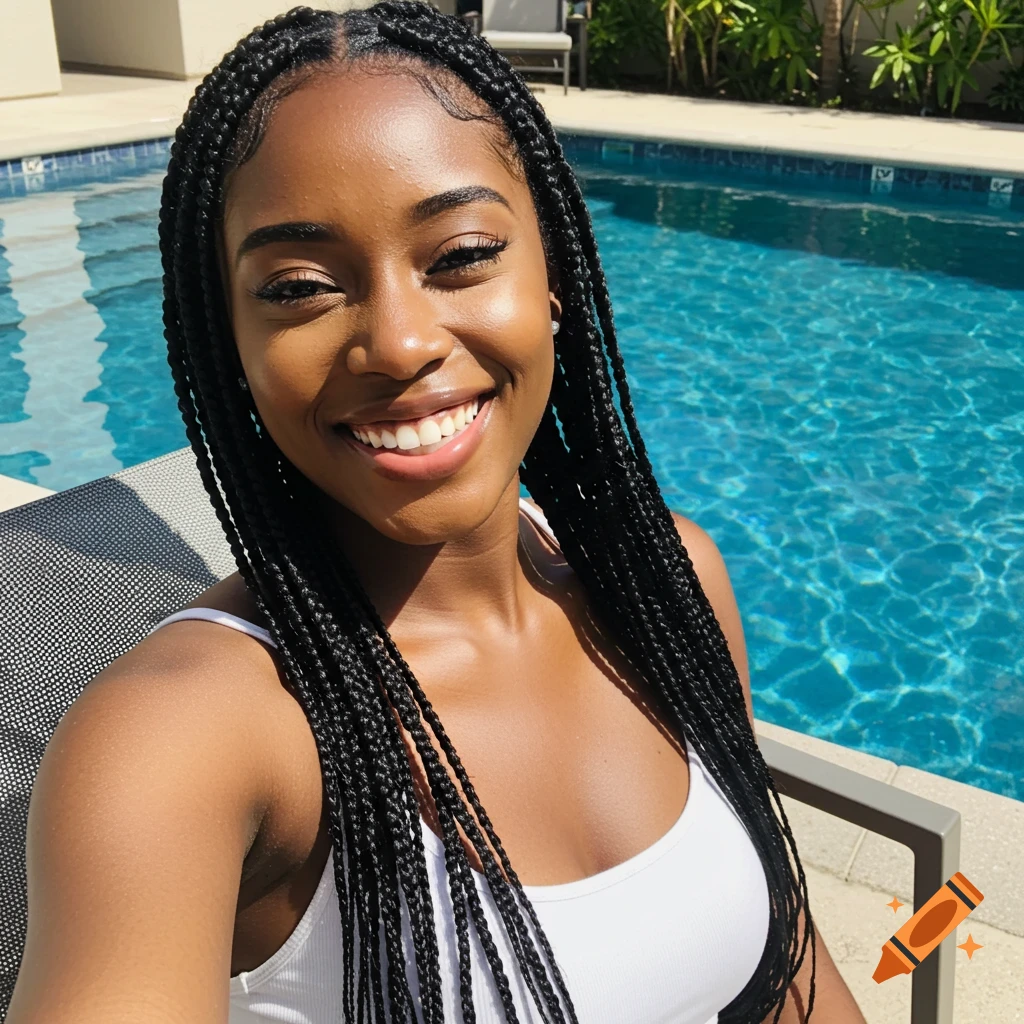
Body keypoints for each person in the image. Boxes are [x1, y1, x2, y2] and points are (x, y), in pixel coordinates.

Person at [7, 4, 867, 1023]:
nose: (400, 342)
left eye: (459, 255)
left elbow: (787, 966)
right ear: (231, 344)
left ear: (552, 279)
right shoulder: (186, 738)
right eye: (298, 286)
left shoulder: (669, 583)